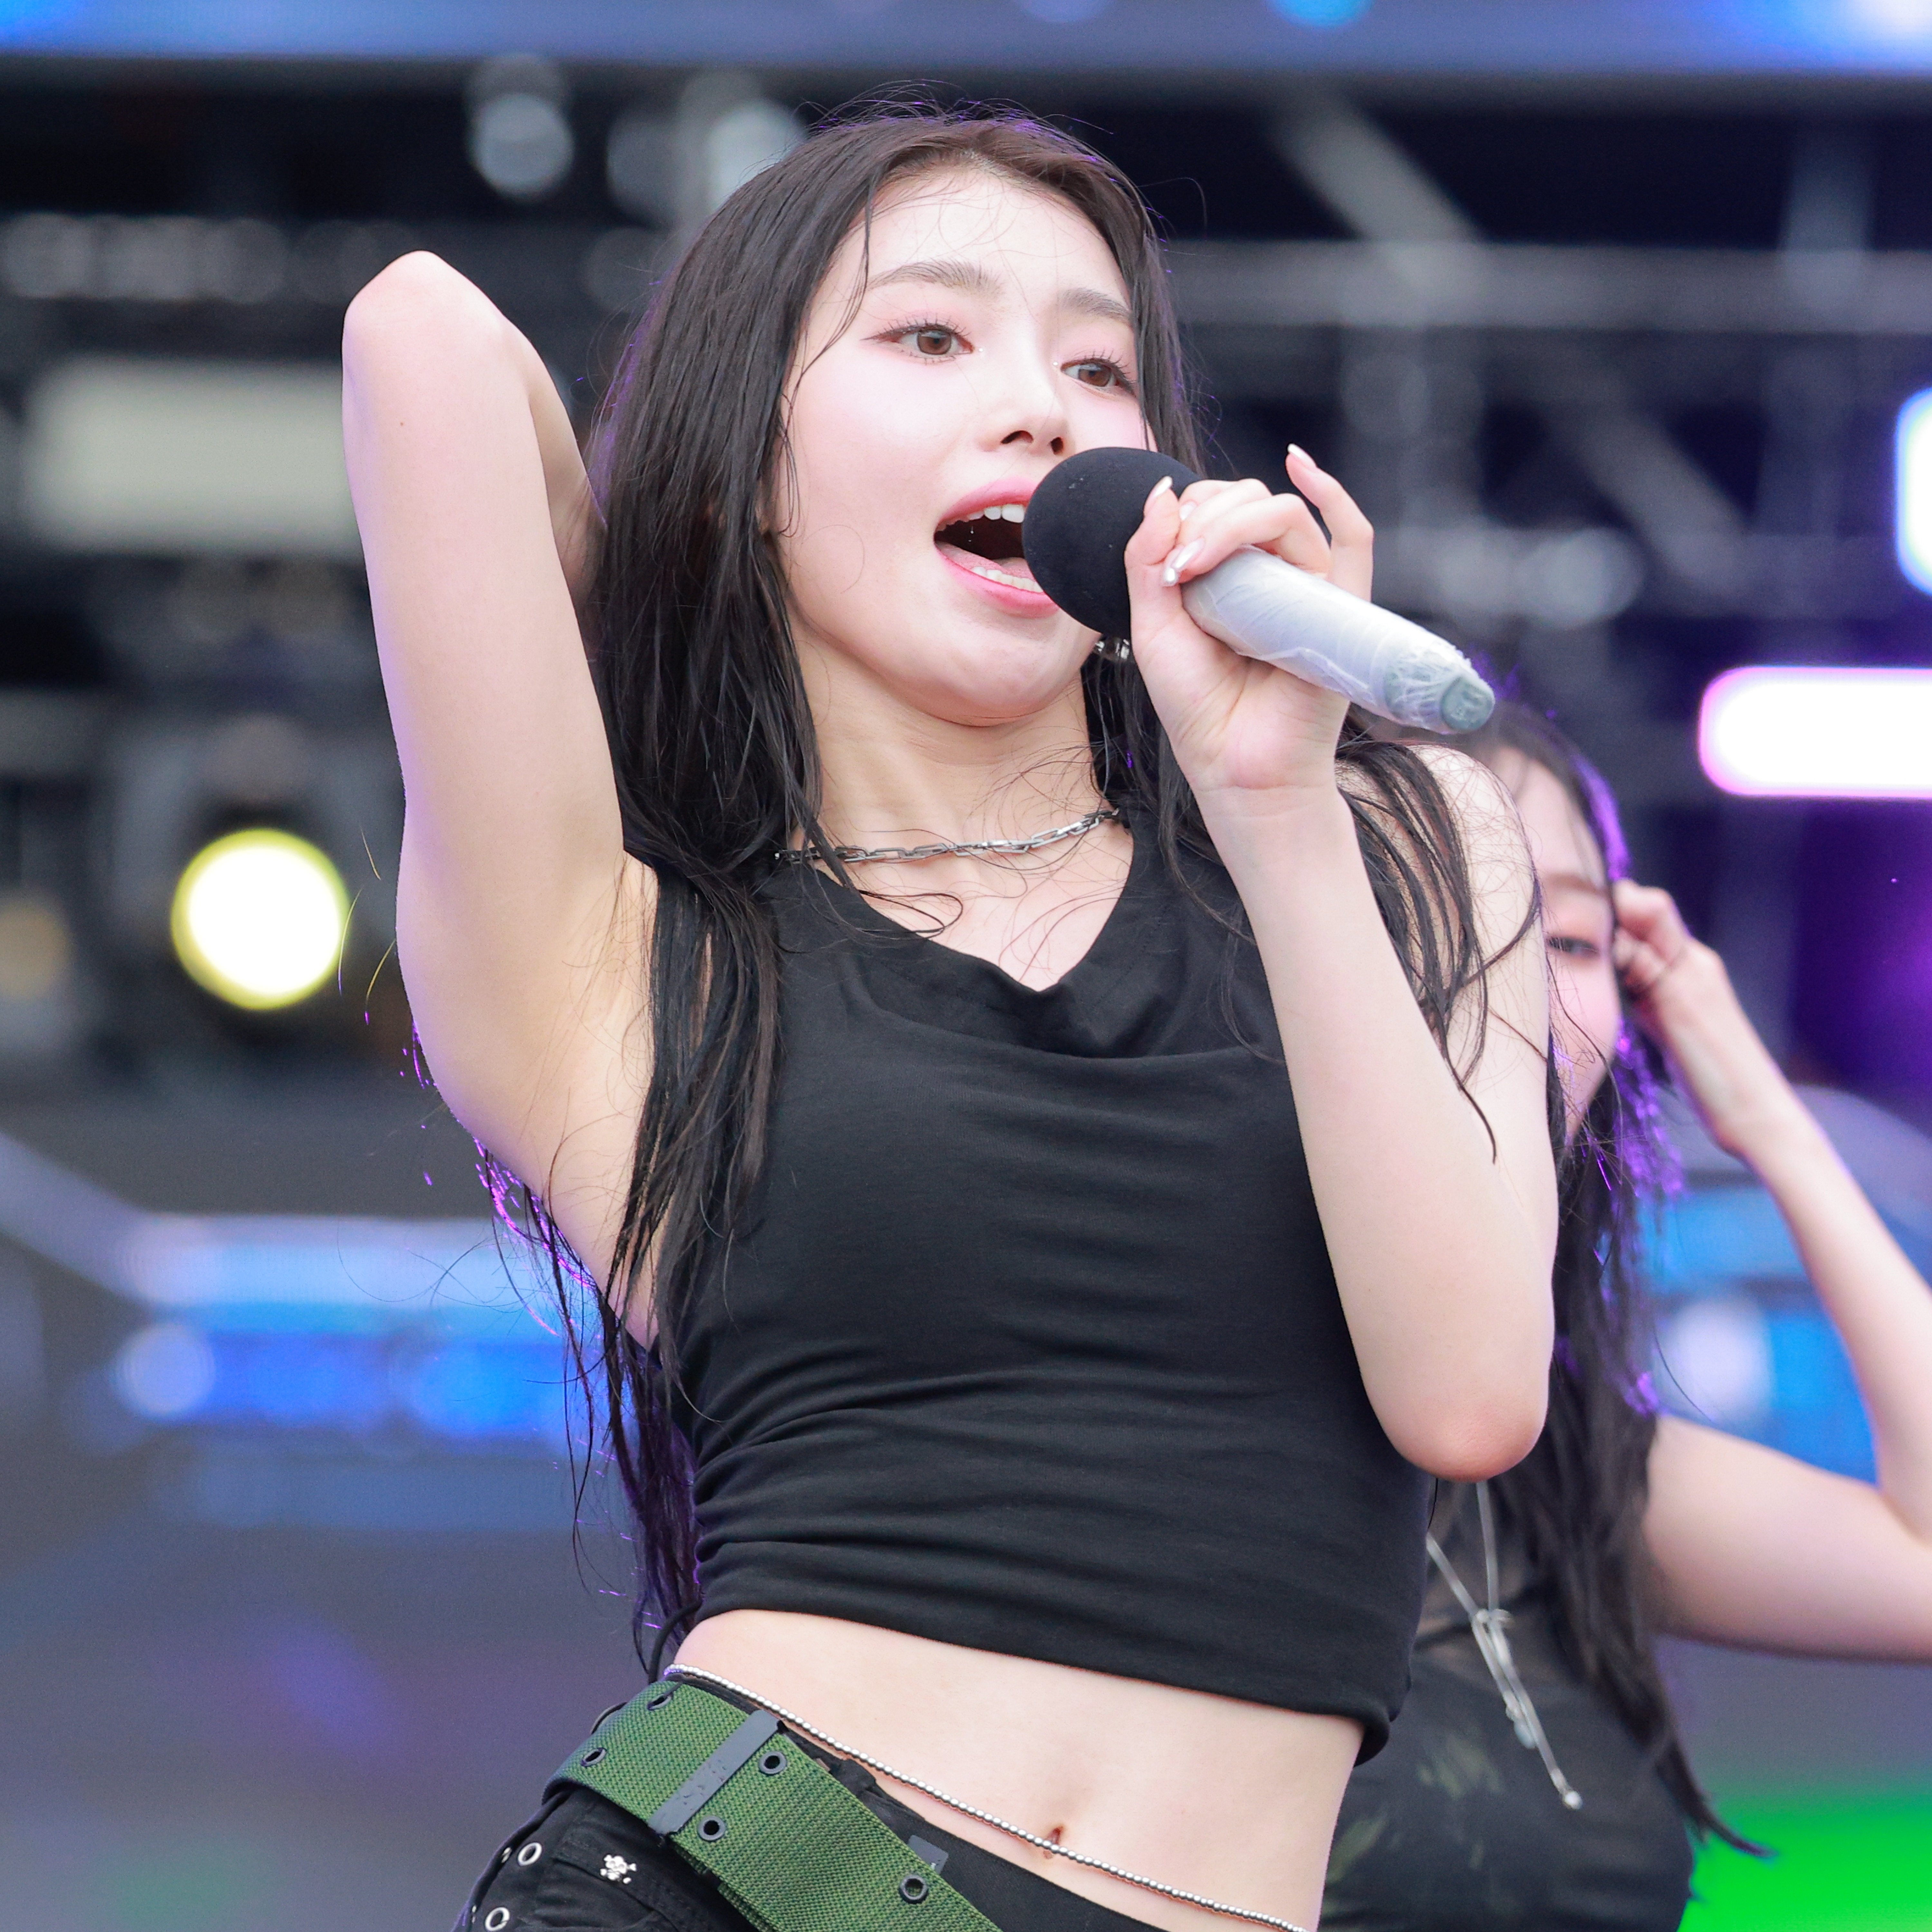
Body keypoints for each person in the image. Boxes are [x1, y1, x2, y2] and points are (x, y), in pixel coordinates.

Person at [343, 105, 1559, 1932]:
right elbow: (419, 333)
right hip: (758, 1882)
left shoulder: (1397, 835)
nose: (1042, 410)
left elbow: (1467, 1395)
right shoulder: (617, 951)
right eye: (930, 336)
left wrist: (1273, 808)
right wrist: (675, 573)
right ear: (747, 466)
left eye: (1100, 367)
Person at [1323, 702, 1932, 1931]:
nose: (1513, 990)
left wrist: (1764, 1115)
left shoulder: (1569, 1473)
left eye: (1568, 935)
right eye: (1439, 915)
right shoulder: (1164, 1427)